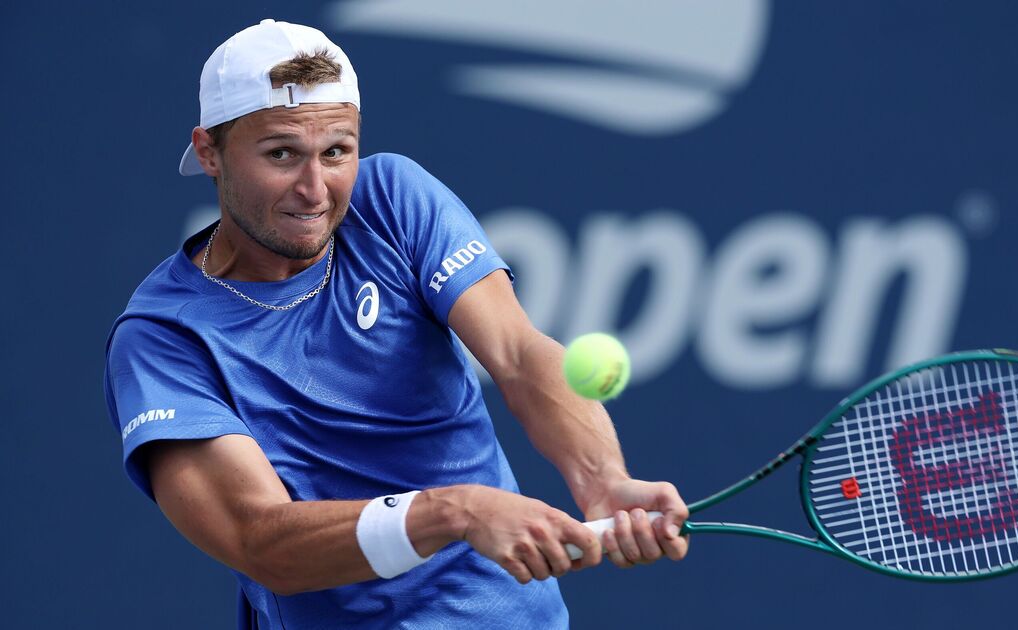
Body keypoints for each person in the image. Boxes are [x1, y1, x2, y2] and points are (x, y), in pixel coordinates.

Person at [103, 19, 688, 629]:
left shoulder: (391, 198)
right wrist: (452, 513)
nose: (314, 190)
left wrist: (604, 481)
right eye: (281, 155)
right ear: (210, 153)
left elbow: (516, 354)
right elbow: (261, 541)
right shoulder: (162, 337)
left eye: (337, 152)